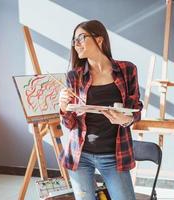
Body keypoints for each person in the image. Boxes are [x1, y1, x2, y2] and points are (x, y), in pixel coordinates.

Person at [58, 20, 143, 200]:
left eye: (81, 38)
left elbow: (135, 110)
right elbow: (70, 124)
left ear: (99, 39)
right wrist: (64, 108)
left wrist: (125, 120)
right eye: (74, 41)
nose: (76, 44)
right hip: (80, 155)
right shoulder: (75, 76)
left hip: (114, 155)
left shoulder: (127, 70)